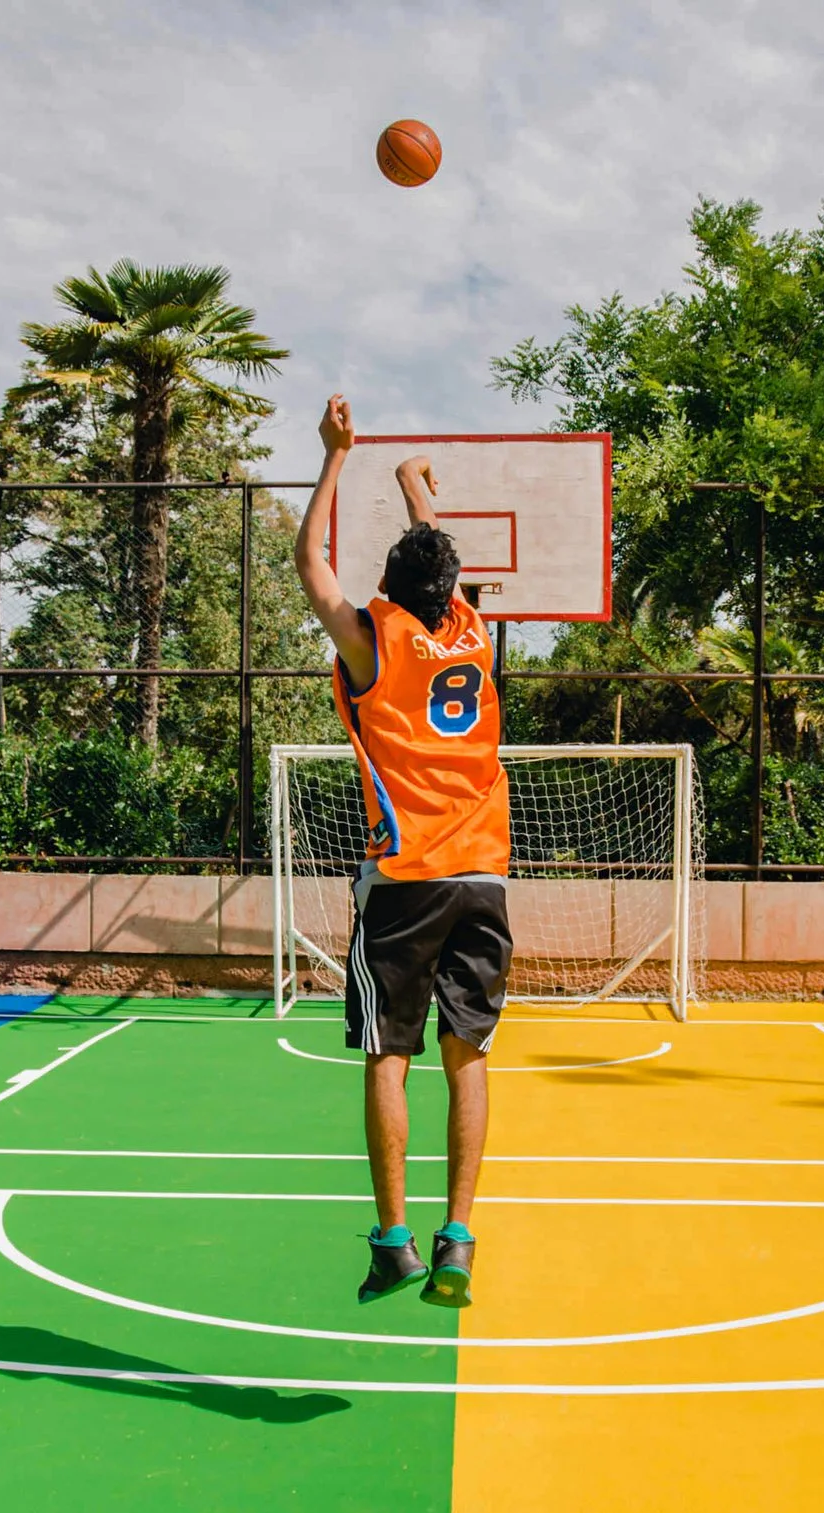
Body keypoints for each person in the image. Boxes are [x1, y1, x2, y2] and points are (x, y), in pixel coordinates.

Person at [291, 395, 511, 1308]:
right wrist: (416, 484)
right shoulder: (470, 632)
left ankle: (393, 1241)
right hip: (486, 877)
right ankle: (457, 1236)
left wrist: (337, 456)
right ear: (451, 587)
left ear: (390, 585)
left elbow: (310, 561)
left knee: (389, 1053)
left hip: (406, 881)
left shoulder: (374, 638)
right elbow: (437, 556)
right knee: (470, 1056)